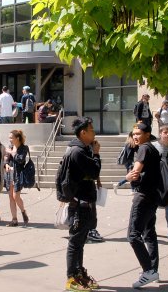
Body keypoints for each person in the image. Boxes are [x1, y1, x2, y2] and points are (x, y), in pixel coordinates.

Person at [62, 117, 102, 292]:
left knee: (80, 242)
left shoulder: (82, 149)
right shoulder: (78, 151)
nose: (94, 132)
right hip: (79, 204)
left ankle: (79, 273)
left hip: (85, 202)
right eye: (91, 130)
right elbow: (94, 172)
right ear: (83, 133)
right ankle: (71, 278)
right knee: (75, 242)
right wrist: (97, 153)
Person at [126, 122, 163, 288]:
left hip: (144, 196)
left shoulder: (144, 148)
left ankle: (148, 271)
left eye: (138, 133)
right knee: (149, 233)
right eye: (134, 134)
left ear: (147, 134)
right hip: (153, 195)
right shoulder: (153, 148)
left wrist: (128, 177)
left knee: (133, 235)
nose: (135, 136)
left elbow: (135, 173)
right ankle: (152, 269)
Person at [4, 129, 30, 226]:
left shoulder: (24, 148)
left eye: (11, 138)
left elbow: (20, 159)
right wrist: (6, 164)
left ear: (17, 138)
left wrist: (11, 152)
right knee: (11, 197)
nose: (9, 139)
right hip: (9, 173)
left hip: (18, 174)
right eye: (9, 138)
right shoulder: (10, 146)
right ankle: (14, 220)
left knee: (16, 196)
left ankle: (23, 211)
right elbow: (6, 158)